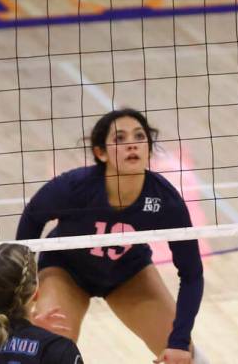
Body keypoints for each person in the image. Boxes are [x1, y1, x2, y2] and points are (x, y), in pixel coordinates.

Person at [16, 109, 208, 364]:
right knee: (48, 350)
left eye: (139, 136)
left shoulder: (164, 199)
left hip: (128, 273)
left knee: (184, 357)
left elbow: (192, 273)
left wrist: (180, 340)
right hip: (66, 271)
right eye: (119, 138)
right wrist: (27, 292)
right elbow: (31, 218)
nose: (132, 144)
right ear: (100, 153)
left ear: (149, 148)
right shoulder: (74, 187)